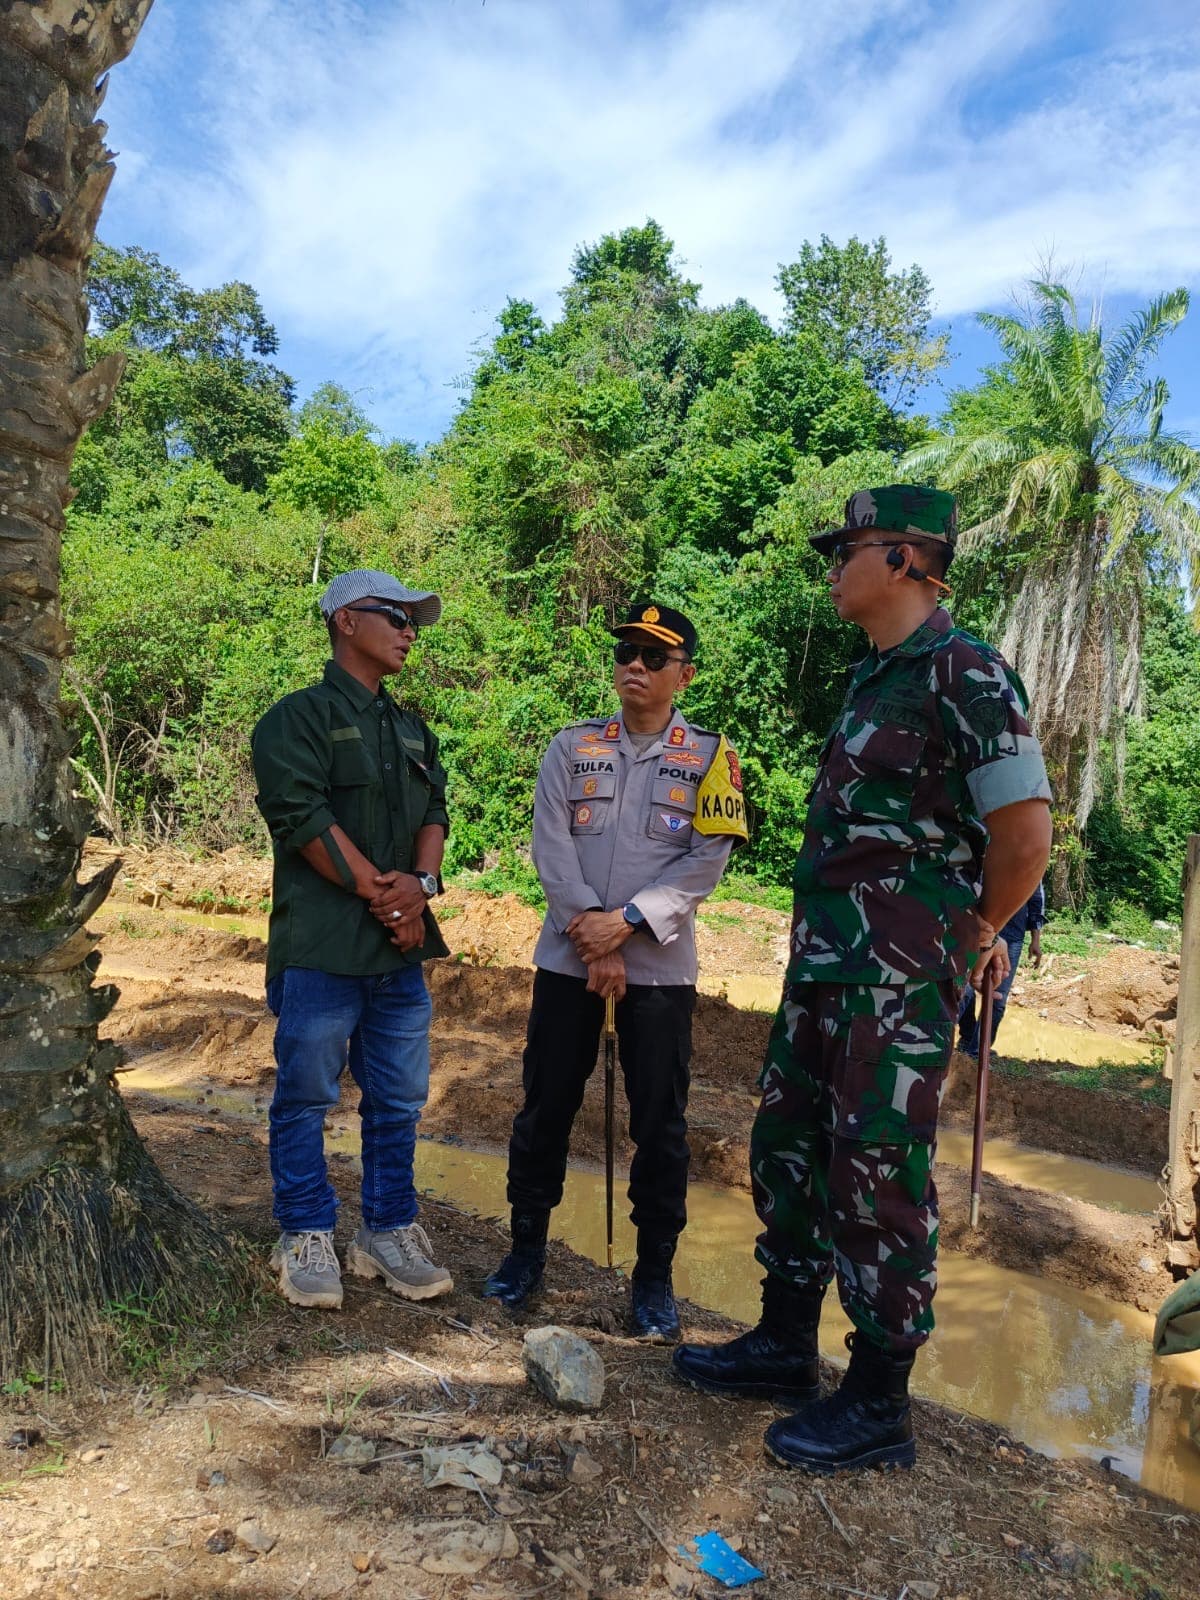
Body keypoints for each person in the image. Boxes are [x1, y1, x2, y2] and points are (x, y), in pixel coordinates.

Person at [673, 485, 1053, 1472]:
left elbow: (1025, 835)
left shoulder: (968, 673)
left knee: (878, 1170)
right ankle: (784, 1344)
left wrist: (979, 928)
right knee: (789, 1146)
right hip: (827, 965)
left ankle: (880, 1400)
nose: (832, 566)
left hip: (902, 980)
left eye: (845, 550)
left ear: (902, 559)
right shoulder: (873, 677)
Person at [482, 603, 745, 1340]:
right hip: (569, 961)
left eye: (654, 657)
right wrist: (594, 939)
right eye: (627, 651)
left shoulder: (712, 758)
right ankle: (525, 1254)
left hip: (659, 974)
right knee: (545, 1108)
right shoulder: (571, 748)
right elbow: (551, 846)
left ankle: (653, 1281)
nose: (635, 665)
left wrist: (624, 925)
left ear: (684, 676)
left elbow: (706, 862)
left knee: (659, 1126)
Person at [251, 568, 453, 1309]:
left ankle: (387, 1230)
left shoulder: (412, 728)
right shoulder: (295, 719)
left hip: (399, 953)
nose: (409, 632)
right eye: (396, 617)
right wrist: (385, 896)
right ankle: (305, 1232)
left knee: (398, 1101)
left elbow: (435, 812)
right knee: (306, 1097)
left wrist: (421, 887)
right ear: (345, 620)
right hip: (323, 950)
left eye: (414, 622)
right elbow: (302, 818)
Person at [956, 882, 1044, 1055]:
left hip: (1012, 935)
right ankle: (963, 1038)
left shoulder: (1031, 870)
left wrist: (1035, 940)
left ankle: (977, 1051)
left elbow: (1036, 900)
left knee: (997, 998)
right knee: (964, 989)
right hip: (979, 929)